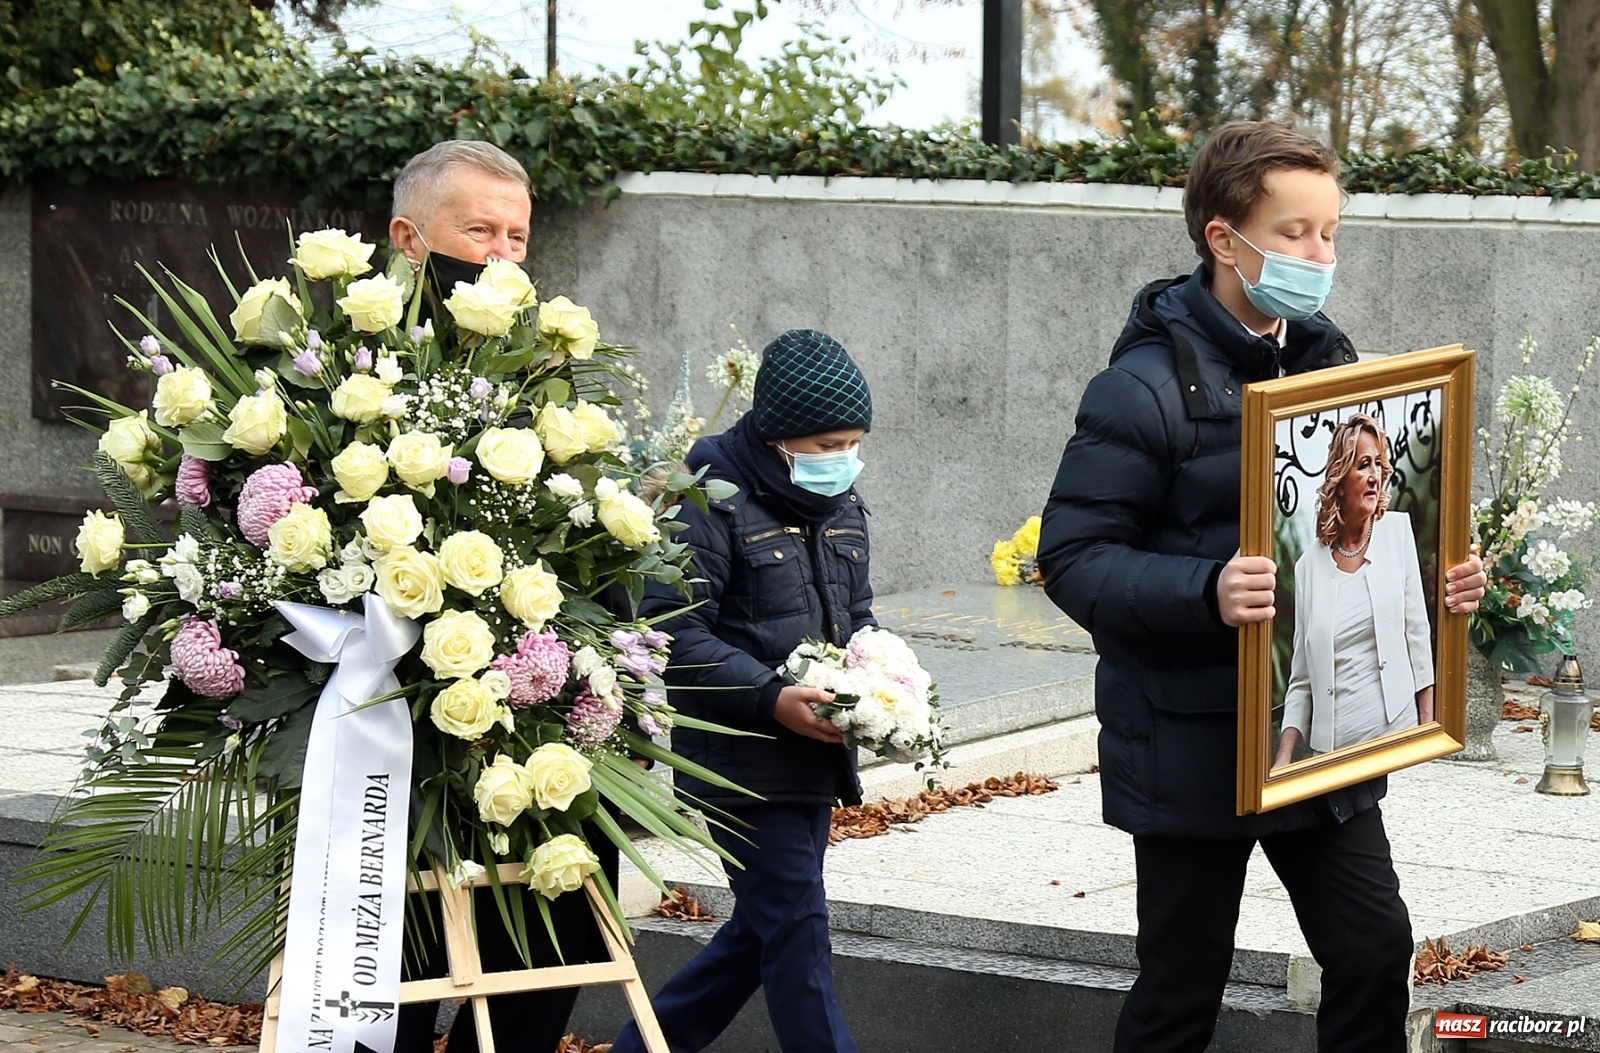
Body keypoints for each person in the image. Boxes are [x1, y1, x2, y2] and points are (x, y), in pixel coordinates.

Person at [1036, 121, 1486, 1053]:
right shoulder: (1138, 389)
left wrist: (1443, 580)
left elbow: (1378, 526)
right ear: (1223, 238)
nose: (1320, 255)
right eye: (1295, 233)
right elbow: (1074, 558)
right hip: (1189, 737)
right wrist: (1207, 589)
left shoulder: (1333, 359)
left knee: (1372, 948)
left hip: (1320, 743)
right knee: (1182, 985)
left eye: (1330, 232)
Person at [377, 139, 617, 1053]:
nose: (502, 256)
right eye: (479, 231)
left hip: (525, 736)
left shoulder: (542, 375)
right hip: (392, 752)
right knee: (396, 989)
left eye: (518, 237)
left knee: (542, 967)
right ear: (409, 238)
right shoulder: (341, 369)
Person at [610, 328, 873, 1053]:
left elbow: (859, 614)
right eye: (823, 445)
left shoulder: (843, 503)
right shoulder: (710, 496)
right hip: (738, 758)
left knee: (763, 925)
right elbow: (675, 630)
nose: (840, 460)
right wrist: (769, 696)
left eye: (851, 442)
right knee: (797, 931)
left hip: (813, 755)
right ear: (777, 437)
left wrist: (880, 678)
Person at [1275, 415, 1435, 768]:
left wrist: (1428, 731)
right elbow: (1301, 679)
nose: (1375, 475)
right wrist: (1283, 758)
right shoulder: (1308, 566)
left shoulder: (1397, 533)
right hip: (1330, 754)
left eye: (1379, 464)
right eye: (1364, 465)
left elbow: (1418, 637)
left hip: (1397, 736)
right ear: (1340, 480)